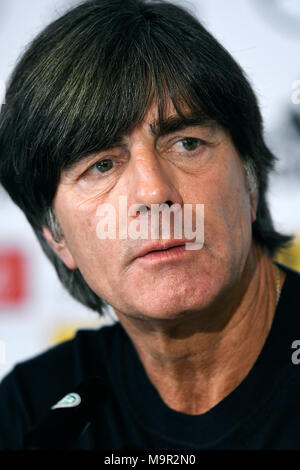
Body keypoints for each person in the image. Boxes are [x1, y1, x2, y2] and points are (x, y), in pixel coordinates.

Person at [0, 0, 299, 451]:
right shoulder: (32, 411)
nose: (153, 192)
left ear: (251, 179)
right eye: (101, 166)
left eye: (187, 143)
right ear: (55, 235)